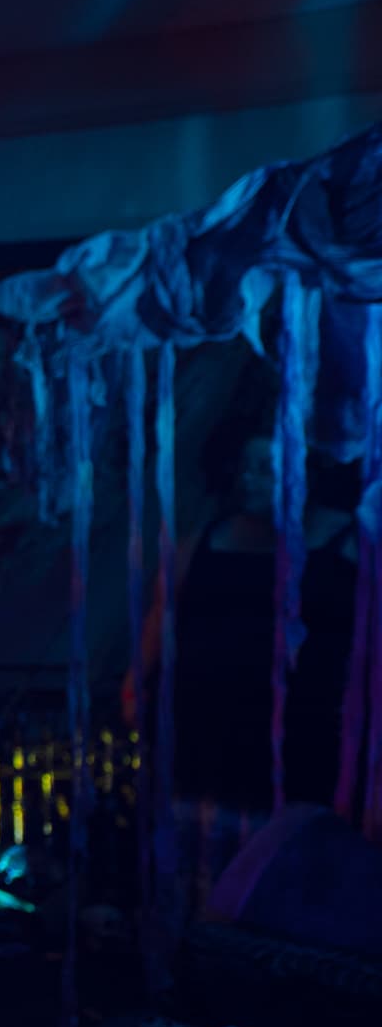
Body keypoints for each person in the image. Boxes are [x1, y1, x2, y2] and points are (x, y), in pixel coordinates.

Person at [126, 413, 358, 986]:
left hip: (297, 762)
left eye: (268, 466)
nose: (253, 479)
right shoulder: (196, 545)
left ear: (300, 469)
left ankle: (275, 998)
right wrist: (134, 691)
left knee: (279, 887)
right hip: (200, 753)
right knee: (192, 881)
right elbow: (157, 629)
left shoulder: (349, 544)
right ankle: (187, 993)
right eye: (247, 466)